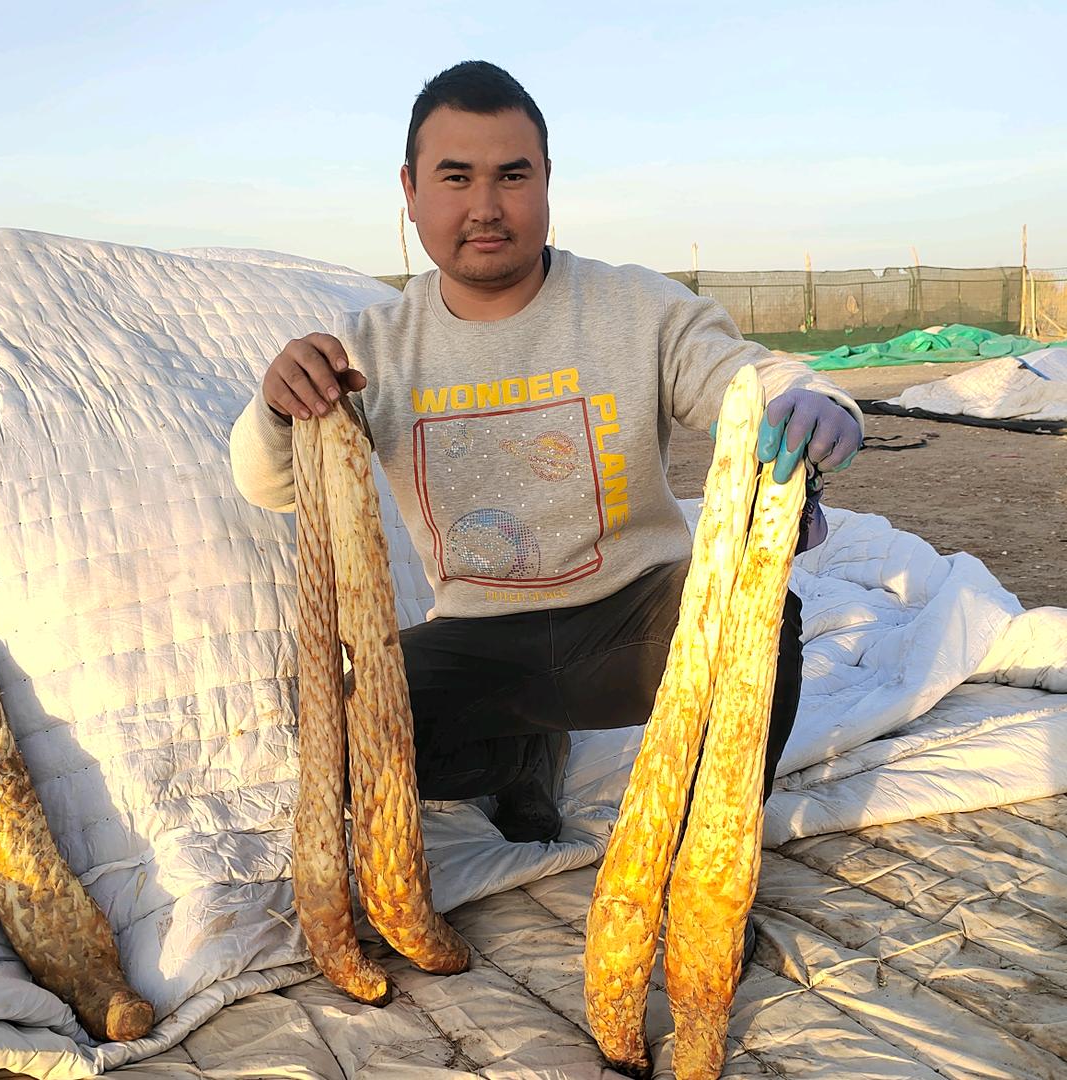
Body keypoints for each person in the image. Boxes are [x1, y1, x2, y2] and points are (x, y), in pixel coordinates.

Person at [230, 61, 863, 855]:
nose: (486, 207)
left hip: (633, 620)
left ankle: (706, 857)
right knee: (348, 740)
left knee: (756, 615)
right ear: (411, 190)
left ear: (548, 182)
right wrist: (278, 405)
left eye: (512, 175)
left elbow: (745, 376)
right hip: (480, 637)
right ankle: (521, 758)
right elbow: (271, 485)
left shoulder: (637, 307)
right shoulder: (371, 352)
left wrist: (806, 400)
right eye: (455, 177)